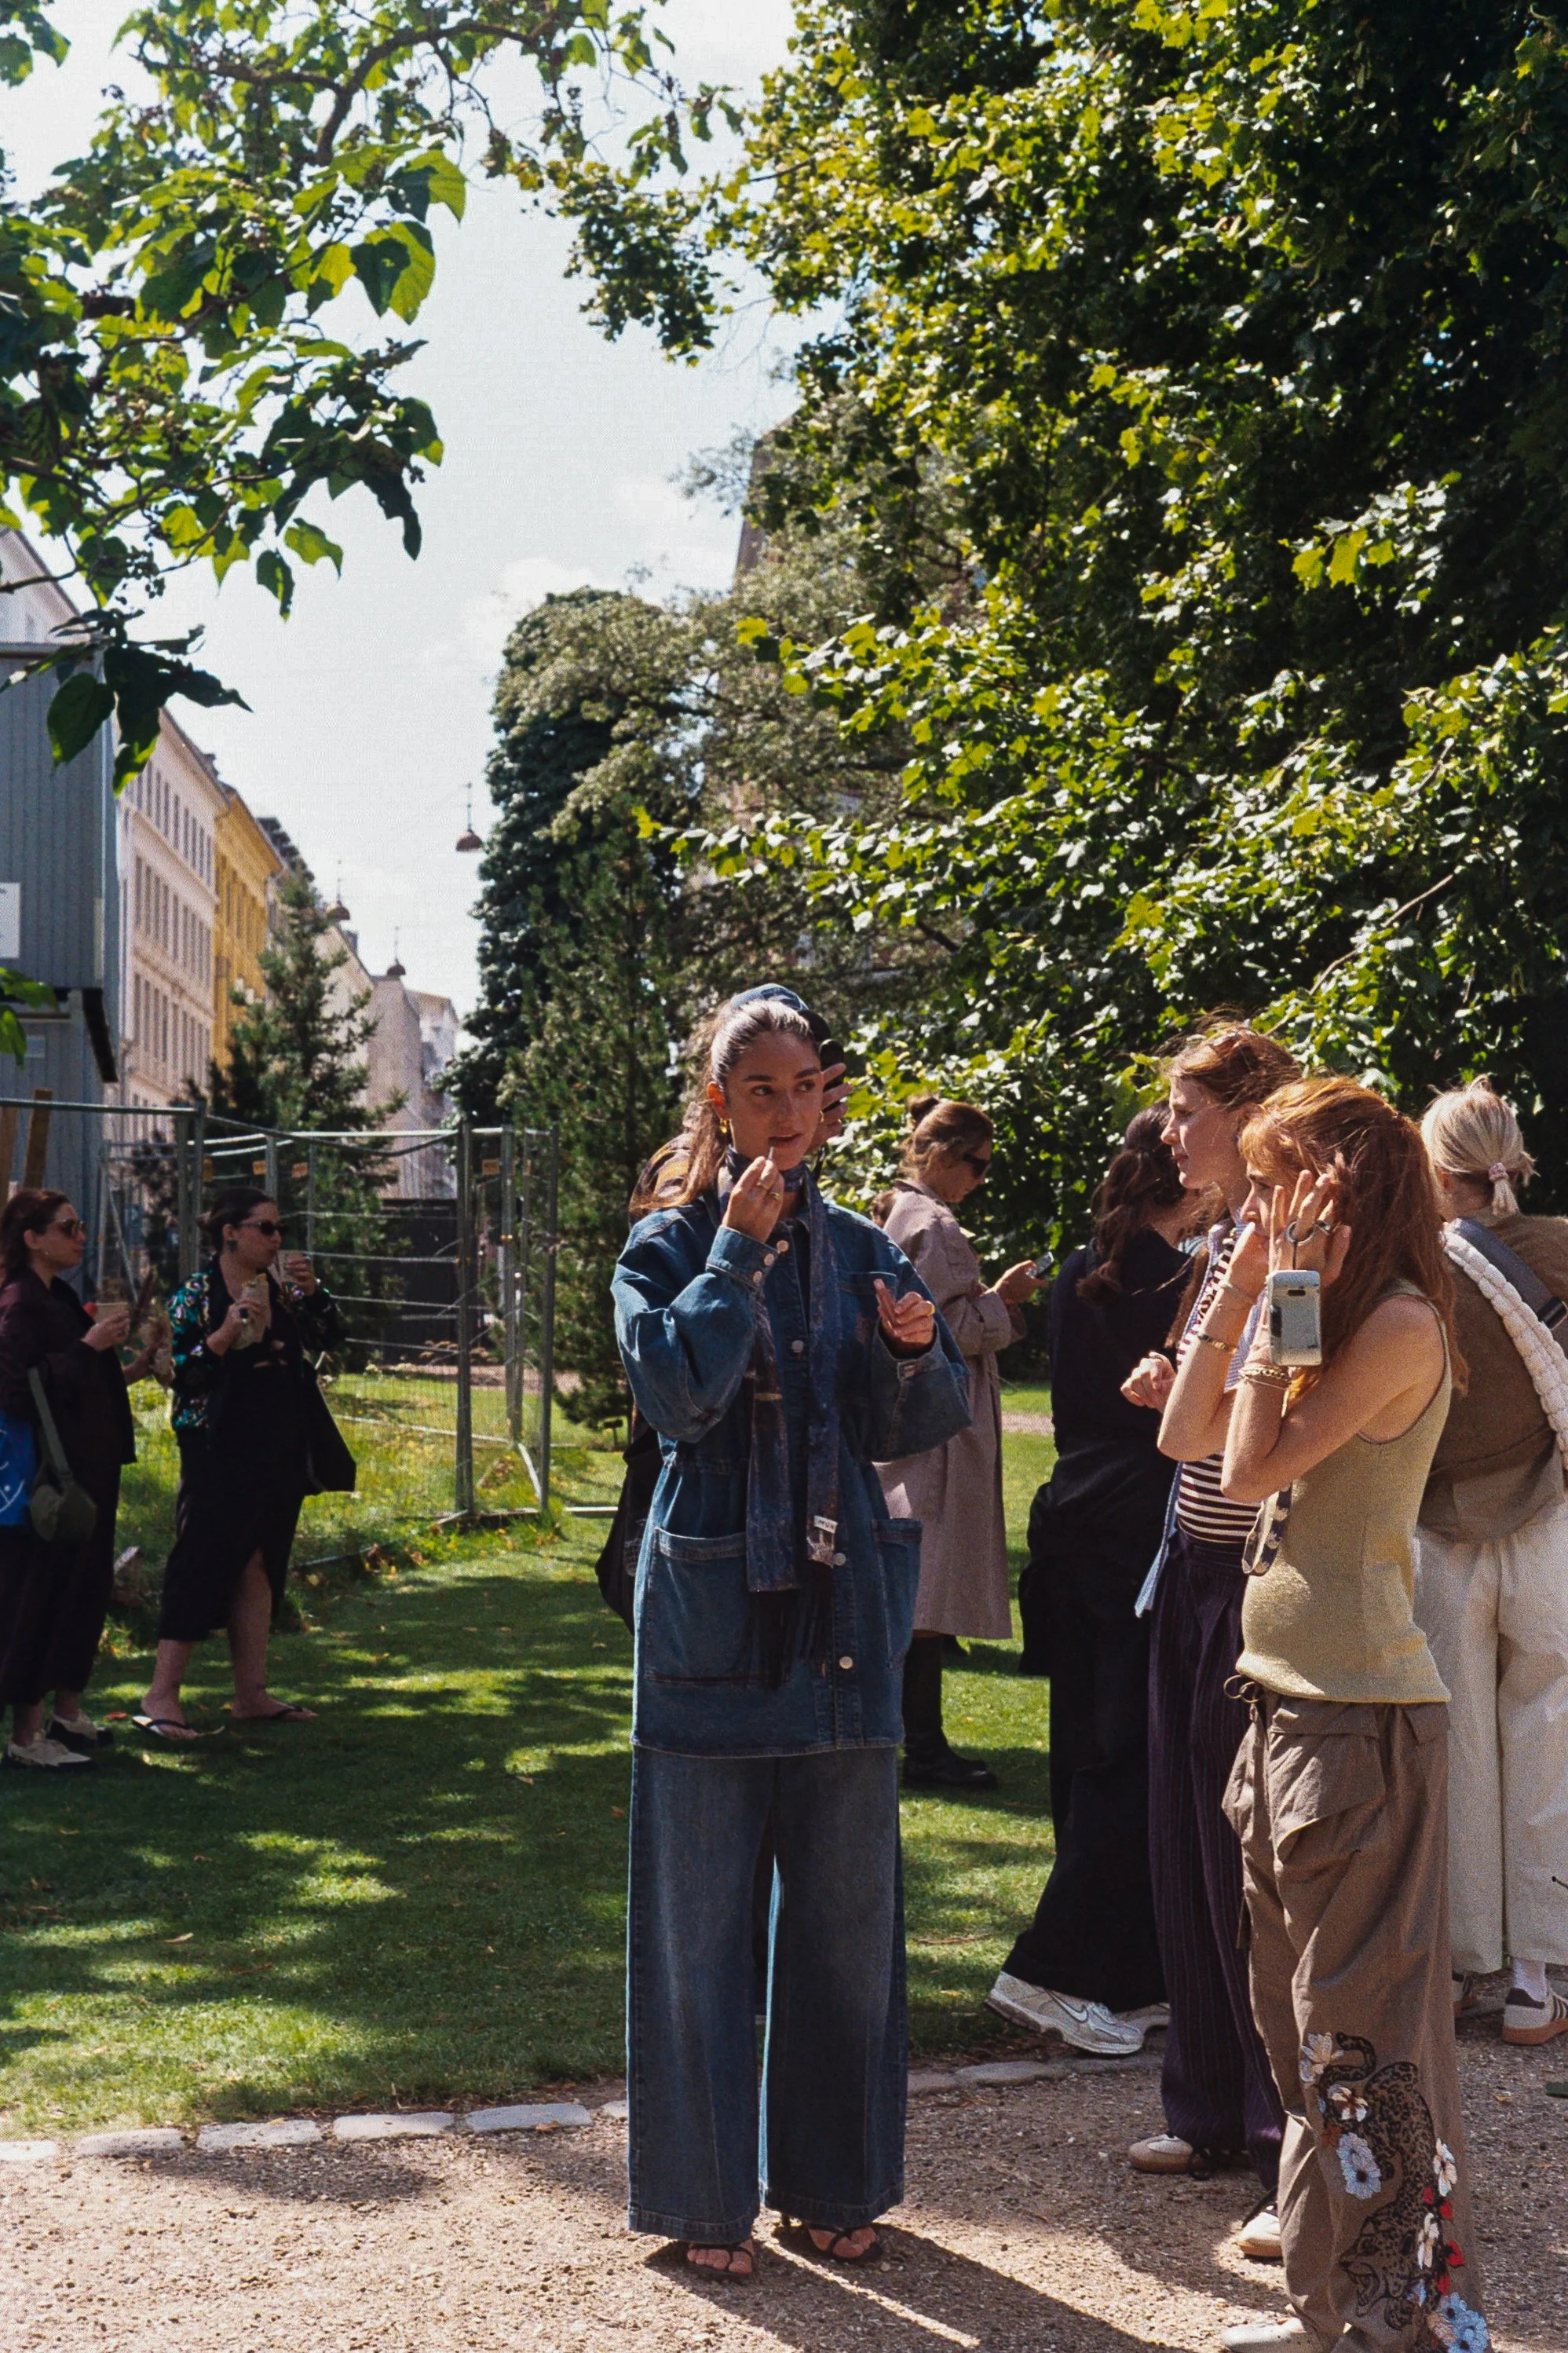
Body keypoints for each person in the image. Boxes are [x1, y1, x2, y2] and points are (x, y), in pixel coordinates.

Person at [612, 993, 970, 2281]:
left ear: (827, 1098)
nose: (785, 1110)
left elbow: (913, 1421)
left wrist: (918, 1353)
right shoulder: (665, 1245)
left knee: (843, 1932)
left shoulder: (869, 1244)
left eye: (804, 1086)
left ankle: (834, 2182)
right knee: (698, 1940)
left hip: (843, 1634)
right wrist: (734, 1255)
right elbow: (673, 1392)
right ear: (717, 1105)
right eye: (757, 1090)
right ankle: (706, 2200)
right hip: (711, 1626)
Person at [1204, 1075, 1483, 2353]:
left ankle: (1391, 2332)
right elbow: (1205, 1444)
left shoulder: (1404, 1326)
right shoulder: (1343, 1316)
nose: (1258, 1214)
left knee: (1362, 2060)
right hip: (1286, 1721)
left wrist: (1282, 1288)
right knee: (1303, 2047)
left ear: (1339, 1191)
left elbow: (1250, 1463)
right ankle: (1338, 2320)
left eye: (1277, 1186)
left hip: (1361, 1734)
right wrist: (1285, 1288)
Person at [1121, 1023, 1296, 2258]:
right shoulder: (1220, 1235)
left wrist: (1190, 1390)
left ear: (1247, 1112)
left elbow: (1281, 1390)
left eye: (1187, 1112)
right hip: (1187, 1558)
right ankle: (1207, 2105)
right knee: (1183, 1835)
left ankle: (1276, 2130)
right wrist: (1171, 1371)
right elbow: (1197, 1402)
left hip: (1252, 1567)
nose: (1171, 1134)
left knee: (1250, 1860)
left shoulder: (1288, 1235)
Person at [988, 1107, 1190, 2054]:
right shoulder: (1187, 1278)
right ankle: (1052, 1968)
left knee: (1086, 1753)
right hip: (1131, 1524)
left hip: (1071, 1514)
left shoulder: (1079, 1265)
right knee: (1126, 1757)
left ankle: (1125, 1968)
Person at [1413, 1080, 1568, 2046]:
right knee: (1546, 1739)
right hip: (1549, 1519)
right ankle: (1535, 1975)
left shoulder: (1412, 1262)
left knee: (1457, 1745)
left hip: (1439, 1526)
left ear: (1434, 1165)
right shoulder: (1556, 1245)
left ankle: (1468, 1964)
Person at [137, 1189, 353, 1740]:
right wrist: (227, 1334)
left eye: (279, 1228)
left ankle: (250, 1694)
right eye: (265, 1228)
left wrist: (314, 1291)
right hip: (215, 1445)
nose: (276, 1238)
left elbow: (334, 1338)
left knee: (260, 1564)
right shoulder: (196, 1295)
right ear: (230, 1233)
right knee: (201, 1560)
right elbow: (178, 1375)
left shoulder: (283, 1289)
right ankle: (161, 1694)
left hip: (277, 1442)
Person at [875, 1098, 1040, 1789]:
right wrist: (1004, 1299)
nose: (981, 1178)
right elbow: (943, 1328)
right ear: (940, 1154)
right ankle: (923, 1747)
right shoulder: (934, 1224)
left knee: (916, 1589)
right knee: (924, 1595)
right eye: (976, 1163)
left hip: (915, 1418)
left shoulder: (896, 1213)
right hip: (940, 1427)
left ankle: (907, 1738)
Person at [0, 1190, 152, 1769]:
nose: (80, 1236)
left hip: (86, 1471)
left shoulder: (56, 1295)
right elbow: (17, 1389)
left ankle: (67, 1712)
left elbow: (79, 1380)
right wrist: (90, 1346)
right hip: (50, 1477)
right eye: (68, 1227)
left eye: (81, 1224)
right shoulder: (19, 1302)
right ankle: (26, 1737)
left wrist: (131, 1363)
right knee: (39, 1594)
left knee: (80, 1593)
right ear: (33, 1239)